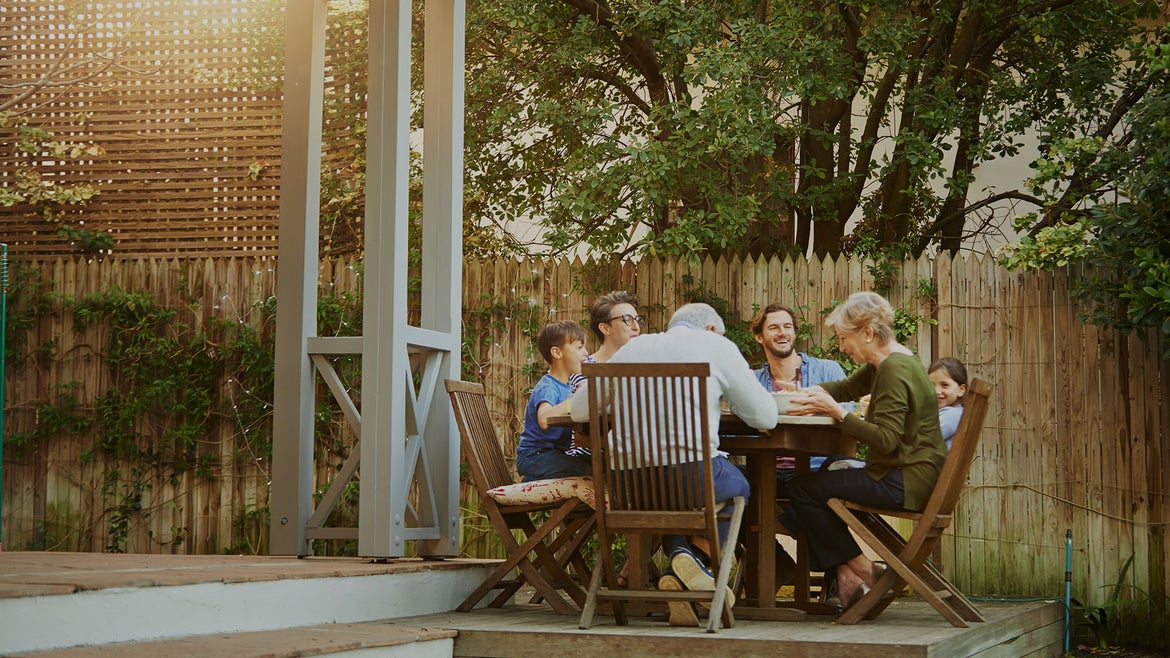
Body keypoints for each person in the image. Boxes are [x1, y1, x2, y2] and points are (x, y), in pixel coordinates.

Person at [571, 303, 777, 621]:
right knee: (738, 485)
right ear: (710, 329)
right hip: (692, 478)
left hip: (629, 489)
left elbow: (581, 411)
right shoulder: (716, 346)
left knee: (676, 496)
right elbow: (764, 416)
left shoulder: (631, 350)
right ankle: (698, 562)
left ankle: (682, 567)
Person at [781, 291, 948, 612]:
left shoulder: (893, 371)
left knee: (802, 490)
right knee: (824, 474)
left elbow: (885, 440)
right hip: (909, 473)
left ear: (868, 333)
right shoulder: (893, 361)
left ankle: (858, 568)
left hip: (903, 481)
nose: (842, 347)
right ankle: (846, 572)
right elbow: (845, 389)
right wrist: (803, 392)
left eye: (845, 338)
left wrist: (839, 413)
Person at [749, 302, 847, 590]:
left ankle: (836, 577)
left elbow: (851, 410)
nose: (782, 333)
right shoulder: (753, 382)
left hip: (816, 469)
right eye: (774, 327)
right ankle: (782, 565)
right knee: (730, 491)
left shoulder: (827, 370)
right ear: (760, 337)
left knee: (817, 492)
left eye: (787, 326)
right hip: (768, 471)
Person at [515, 321, 591, 481]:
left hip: (554, 454)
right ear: (557, 352)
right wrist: (576, 400)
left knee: (596, 464)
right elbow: (544, 419)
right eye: (579, 347)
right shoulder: (548, 386)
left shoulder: (568, 385)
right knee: (586, 469)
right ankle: (528, 482)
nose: (586, 353)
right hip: (534, 456)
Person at [929, 357, 968, 449]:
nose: (937, 391)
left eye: (945, 385)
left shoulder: (952, 415)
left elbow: (925, 440)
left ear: (961, 390)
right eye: (931, 385)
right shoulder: (954, 412)